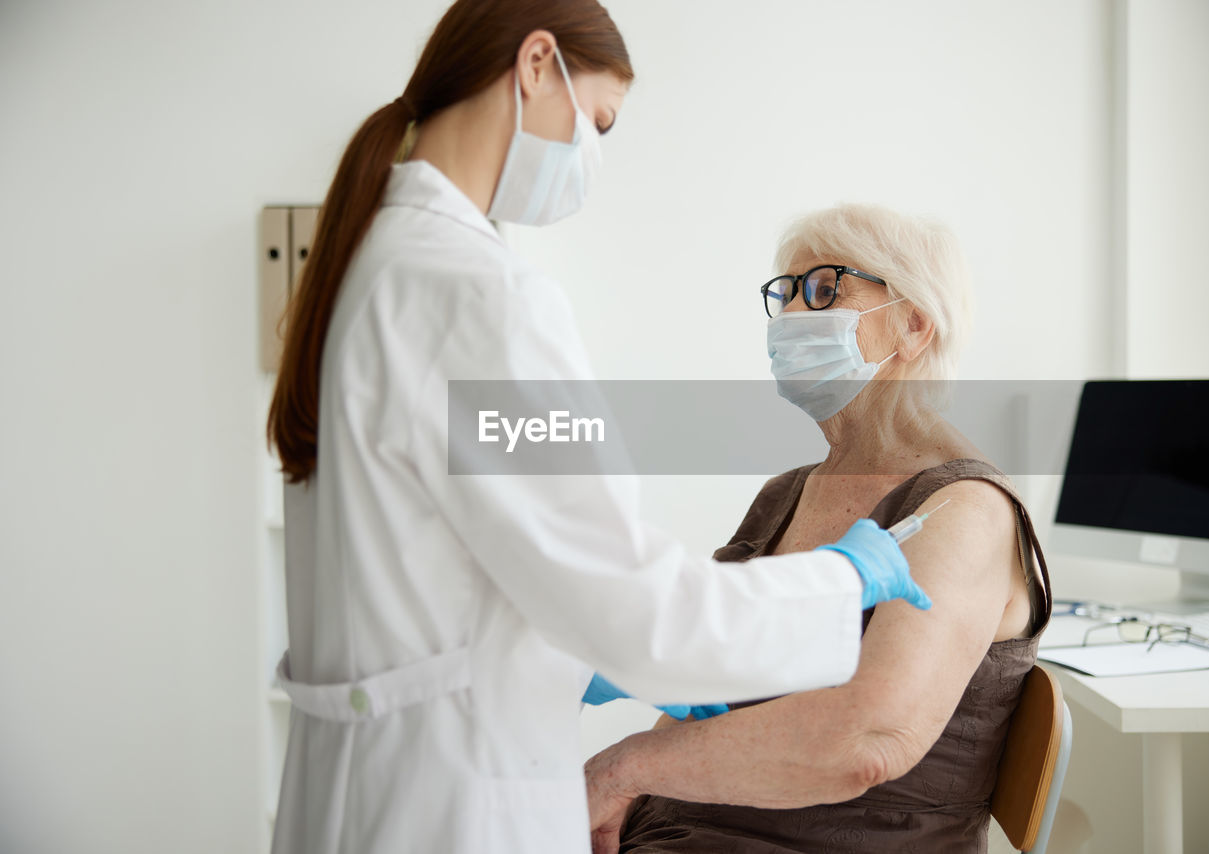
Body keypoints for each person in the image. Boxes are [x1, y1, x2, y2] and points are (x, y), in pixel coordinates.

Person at [265, 3, 930, 853]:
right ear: (536, 65)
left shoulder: (372, 268)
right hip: (453, 807)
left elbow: (438, 564)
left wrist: (575, 663)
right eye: (600, 121)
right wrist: (838, 582)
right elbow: (638, 606)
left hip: (366, 793)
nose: (593, 154)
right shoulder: (482, 301)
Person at [584, 203, 1053, 854]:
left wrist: (619, 769)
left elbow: (865, 743)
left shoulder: (966, 510)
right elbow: (705, 687)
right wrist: (624, 788)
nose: (791, 318)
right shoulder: (786, 494)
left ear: (914, 324)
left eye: (825, 290)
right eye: (787, 294)